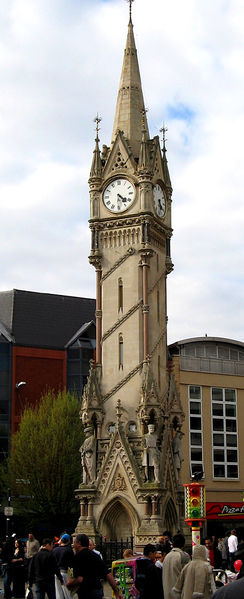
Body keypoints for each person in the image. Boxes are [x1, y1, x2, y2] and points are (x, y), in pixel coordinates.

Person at [66, 533, 122, 599]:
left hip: (86, 593)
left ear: (79, 543)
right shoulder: (96, 556)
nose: (73, 545)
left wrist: (69, 584)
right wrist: (116, 593)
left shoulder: (77, 557)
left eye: (74, 543)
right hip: (98, 591)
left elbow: (80, 579)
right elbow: (108, 575)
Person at [163, 533, 190, 599]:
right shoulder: (184, 556)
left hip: (167, 593)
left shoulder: (167, 556)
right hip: (179, 594)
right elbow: (188, 575)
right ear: (184, 544)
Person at [53, 534, 74, 599]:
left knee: (58, 593)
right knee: (67, 593)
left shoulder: (55, 550)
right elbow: (72, 563)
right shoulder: (69, 550)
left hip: (56, 573)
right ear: (68, 541)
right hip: (65, 572)